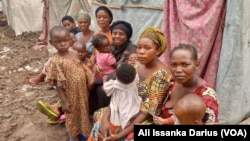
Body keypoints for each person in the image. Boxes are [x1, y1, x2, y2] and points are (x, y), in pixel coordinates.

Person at [88, 27, 172, 141]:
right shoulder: (136, 64)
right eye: (139, 47)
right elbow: (119, 90)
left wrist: (120, 134)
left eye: (147, 48)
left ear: (158, 50)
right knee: (100, 116)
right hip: (127, 104)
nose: (141, 51)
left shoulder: (161, 74)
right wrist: (105, 120)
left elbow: (148, 111)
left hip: (144, 116)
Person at [44, 25, 94, 141]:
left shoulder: (74, 52)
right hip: (70, 96)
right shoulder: (56, 61)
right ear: (52, 43)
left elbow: (82, 66)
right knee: (72, 117)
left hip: (81, 92)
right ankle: (74, 137)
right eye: (58, 42)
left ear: (70, 39)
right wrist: (64, 102)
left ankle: (83, 133)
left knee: (83, 114)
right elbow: (57, 84)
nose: (63, 44)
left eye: (65, 40)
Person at [153, 43, 219, 125]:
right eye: (174, 65)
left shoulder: (207, 96)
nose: (178, 70)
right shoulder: (170, 83)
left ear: (197, 65)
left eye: (185, 64)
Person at [89, 20, 137, 114]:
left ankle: (107, 115)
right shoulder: (110, 45)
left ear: (127, 36)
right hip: (108, 76)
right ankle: (93, 112)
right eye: (114, 33)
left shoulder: (131, 50)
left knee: (101, 90)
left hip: (124, 80)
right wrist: (96, 66)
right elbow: (101, 58)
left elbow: (125, 71)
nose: (117, 36)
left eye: (121, 34)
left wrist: (103, 79)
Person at [88, 63, 142, 141]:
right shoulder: (135, 79)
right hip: (133, 111)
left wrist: (104, 80)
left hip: (118, 116)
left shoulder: (115, 84)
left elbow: (105, 89)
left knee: (109, 125)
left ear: (117, 77)